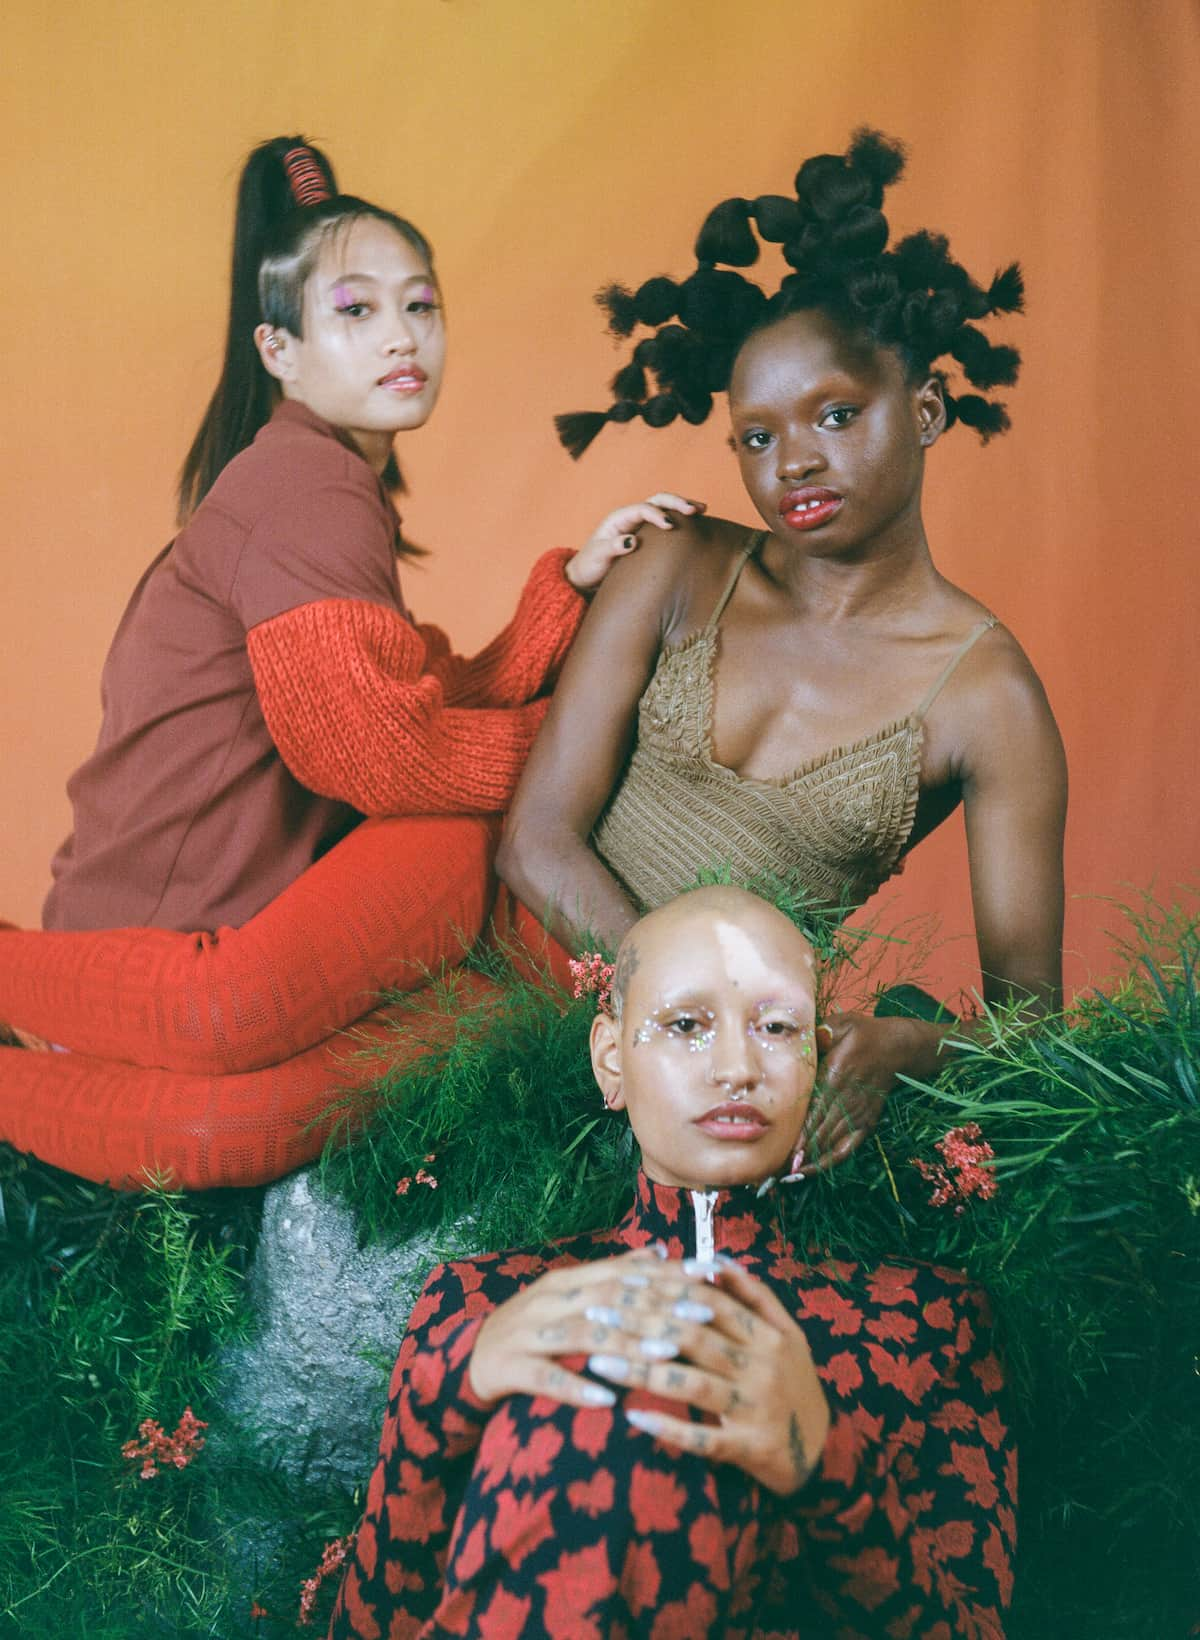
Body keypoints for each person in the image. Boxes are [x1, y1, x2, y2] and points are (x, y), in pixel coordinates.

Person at [0, 135, 698, 1191]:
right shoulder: (305, 487)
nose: (402, 337)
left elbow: (407, 701)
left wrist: (571, 592)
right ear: (279, 349)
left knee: (282, 1106)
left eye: (421, 305)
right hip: (158, 952)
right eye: (357, 311)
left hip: (189, 935)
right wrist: (583, 742)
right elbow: (377, 758)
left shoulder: (320, 479)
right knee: (450, 840)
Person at [498, 128, 1067, 1171]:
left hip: (722, 1087)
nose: (795, 459)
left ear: (929, 409)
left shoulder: (989, 697)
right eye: (756, 436)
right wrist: (658, 1015)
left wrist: (901, 1044)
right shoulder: (674, 567)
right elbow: (535, 840)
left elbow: (1035, 1026)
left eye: (838, 414)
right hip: (516, 1016)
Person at [328, 885, 1016, 1639]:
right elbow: (374, 1627)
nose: (736, 1067)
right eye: (687, 1025)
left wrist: (825, 1466)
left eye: (777, 1026)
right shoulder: (483, 1300)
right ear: (610, 1059)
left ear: (818, 1060)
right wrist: (448, 1384)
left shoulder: (929, 1321)